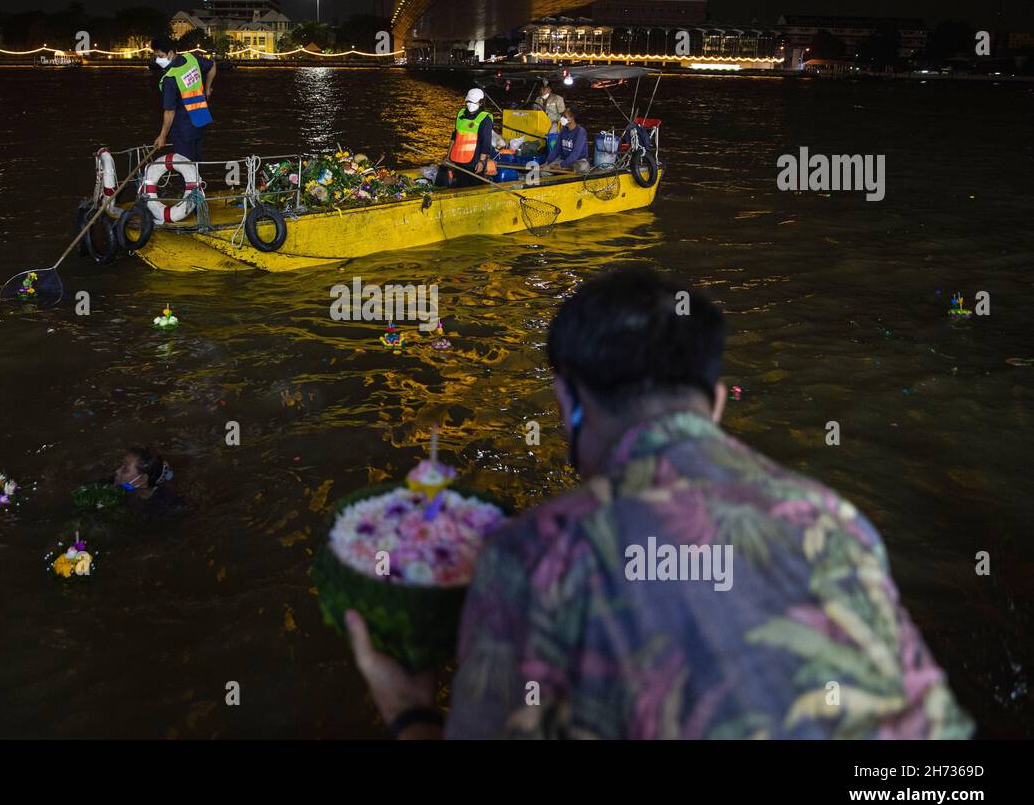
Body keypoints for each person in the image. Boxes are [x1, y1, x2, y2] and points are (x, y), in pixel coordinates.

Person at [346, 267, 973, 740]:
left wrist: (409, 711)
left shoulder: (534, 553)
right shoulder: (838, 521)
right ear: (718, 401)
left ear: (568, 401)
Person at [143, 34, 216, 224]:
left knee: (187, 169)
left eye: (159, 54)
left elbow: (169, 111)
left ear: (170, 53)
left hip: (183, 128)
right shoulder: (192, 59)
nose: (157, 58)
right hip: (200, 120)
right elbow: (212, 66)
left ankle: (192, 209)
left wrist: (162, 136)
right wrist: (207, 88)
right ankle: (200, 202)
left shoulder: (170, 78)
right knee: (197, 164)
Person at [441, 88, 497, 187]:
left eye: (474, 102)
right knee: (460, 185)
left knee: (474, 187)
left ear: (481, 103)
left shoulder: (485, 119)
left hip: (474, 163)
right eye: (469, 101)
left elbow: (486, 143)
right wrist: (448, 156)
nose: (470, 104)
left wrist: (481, 162)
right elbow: (455, 136)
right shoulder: (461, 114)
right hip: (458, 161)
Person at [111, 446, 175, 506]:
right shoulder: (120, 483)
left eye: (125, 469)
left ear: (142, 479)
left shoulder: (164, 504)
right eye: (121, 464)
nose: (117, 471)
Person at [545, 108, 590, 173]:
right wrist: (547, 161)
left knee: (582, 167)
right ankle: (564, 169)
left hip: (578, 161)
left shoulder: (580, 132)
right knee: (546, 169)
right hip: (565, 160)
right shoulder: (563, 130)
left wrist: (562, 165)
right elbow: (557, 148)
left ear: (572, 118)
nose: (562, 118)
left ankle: (564, 169)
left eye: (565, 117)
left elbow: (575, 153)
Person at [532, 81, 566, 160]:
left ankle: (552, 155)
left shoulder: (558, 98)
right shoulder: (538, 99)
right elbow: (534, 111)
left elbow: (563, 112)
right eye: (541, 89)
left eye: (545, 89)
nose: (543, 91)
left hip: (553, 123)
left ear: (550, 90)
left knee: (551, 136)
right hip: (540, 123)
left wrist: (564, 121)